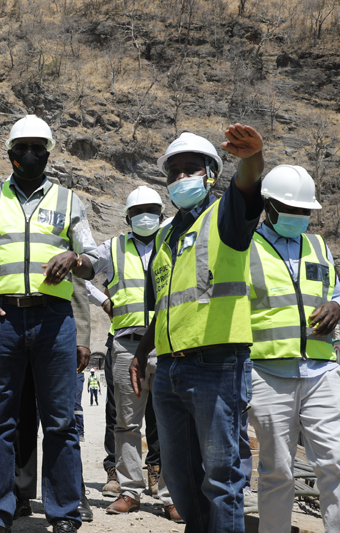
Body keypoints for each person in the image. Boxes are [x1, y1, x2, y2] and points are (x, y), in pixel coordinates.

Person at [0, 115, 97, 533]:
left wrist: (75, 257)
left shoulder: (68, 201)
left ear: (48, 154)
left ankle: (64, 513)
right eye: (22, 148)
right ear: (10, 153)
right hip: (3, 319)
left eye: (38, 148)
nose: (30, 154)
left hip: (54, 320)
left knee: (60, 420)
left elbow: (93, 260)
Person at [133, 126, 265, 532]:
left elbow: (247, 186)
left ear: (211, 174)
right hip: (169, 368)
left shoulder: (225, 215)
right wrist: (142, 351)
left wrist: (251, 158)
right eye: (173, 172)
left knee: (222, 477)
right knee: (179, 475)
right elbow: (165, 307)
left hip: (218, 364)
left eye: (190, 169)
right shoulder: (165, 235)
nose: (180, 178)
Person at [246, 165, 340, 532]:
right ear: (267, 206)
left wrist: (337, 305)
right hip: (268, 373)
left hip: (321, 370)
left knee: (335, 461)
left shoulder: (318, 246)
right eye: (291, 209)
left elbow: (335, 290)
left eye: (305, 211)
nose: (299, 216)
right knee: (278, 469)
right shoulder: (246, 246)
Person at [89, 186, 180, 522]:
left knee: (171, 423)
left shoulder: (173, 243)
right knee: (126, 422)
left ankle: (171, 495)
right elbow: (82, 270)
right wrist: (102, 300)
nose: (145, 216)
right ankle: (130, 490)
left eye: (151, 210)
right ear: (127, 217)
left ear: (161, 214)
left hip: (168, 344)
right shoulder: (112, 247)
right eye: (138, 211)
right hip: (127, 345)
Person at [13, 276, 94, 524]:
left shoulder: (65, 249)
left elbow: (77, 287)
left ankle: (71, 494)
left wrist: (82, 338)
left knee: (62, 419)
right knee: (20, 417)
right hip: (13, 329)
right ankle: (20, 493)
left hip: (58, 330)